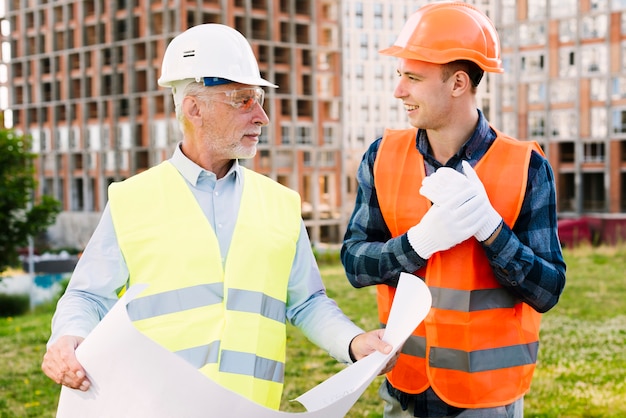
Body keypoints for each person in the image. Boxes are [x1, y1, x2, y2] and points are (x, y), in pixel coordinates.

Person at [41, 23, 396, 411]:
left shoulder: (280, 204)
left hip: (249, 408)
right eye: (242, 100)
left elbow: (306, 301)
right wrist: (68, 336)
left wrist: (352, 342)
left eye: (259, 99)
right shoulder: (131, 199)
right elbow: (87, 295)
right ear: (194, 108)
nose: (262, 116)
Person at [341, 2, 566, 418]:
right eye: (400, 76)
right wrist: (416, 244)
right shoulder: (381, 156)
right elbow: (354, 263)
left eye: (412, 78)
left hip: (485, 396)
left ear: (458, 82)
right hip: (404, 386)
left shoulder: (526, 167)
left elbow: (548, 290)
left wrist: (492, 231)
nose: (399, 91)